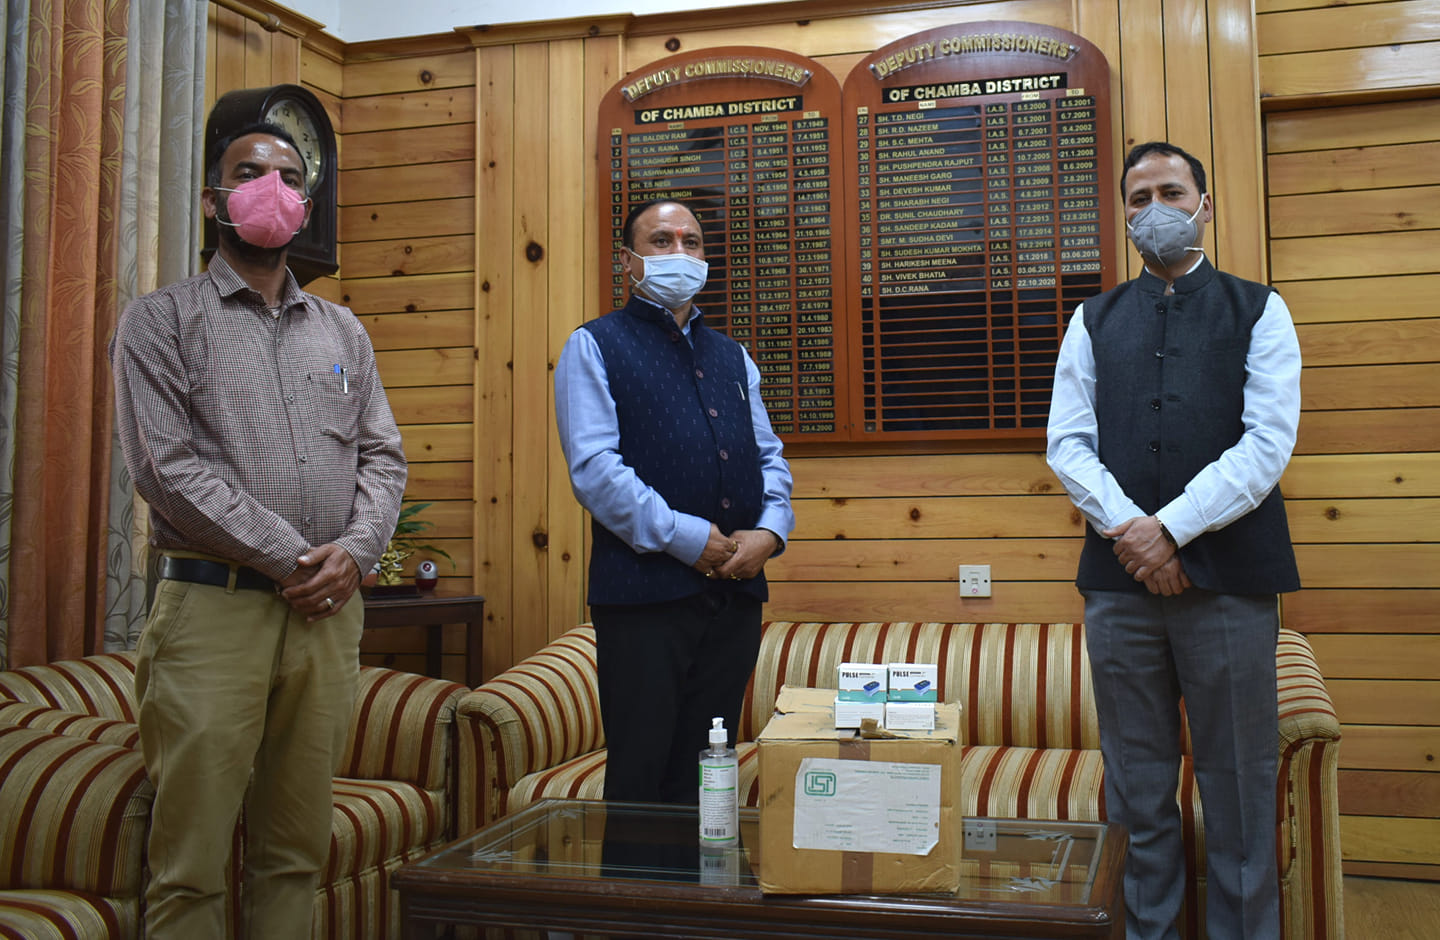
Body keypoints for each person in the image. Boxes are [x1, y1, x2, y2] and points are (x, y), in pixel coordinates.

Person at [110, 122, 407, 939]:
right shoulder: (160, 321)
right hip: (215, 610)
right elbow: (166, 470)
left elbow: (383, 457)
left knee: (296, 855)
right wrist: (295, 559)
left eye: (288, 176)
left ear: (305, 206)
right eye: (249, 172)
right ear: (214, 201)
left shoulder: (342, 332)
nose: (271, 188)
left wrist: (356, 552)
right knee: (190, 864)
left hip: (324, 618)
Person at [1046, 141, 1301, 939]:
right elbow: (1068, 444)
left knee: (1240, 788)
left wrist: (1171, 529)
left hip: (1231, 584)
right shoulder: (1091, 320)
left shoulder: (1260, 309)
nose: (1155, 209)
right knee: (1136, 787)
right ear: (1124, 215)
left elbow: (1268, 444)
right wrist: (1135, 534)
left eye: (1171, 192)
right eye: (1139, 197)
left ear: (1204, 205)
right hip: (1119, 586)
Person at [554, 198, 794, 804]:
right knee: (642, 778)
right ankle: (637, 875)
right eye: (662, 241)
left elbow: (769, 456)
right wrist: (688, 538)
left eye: (692, 242)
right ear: (628, 261)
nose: (680, 253)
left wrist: (770, 531)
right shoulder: (594, 345)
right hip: (644, 600)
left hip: (735, 596)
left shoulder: (733, 356)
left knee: (708, 777)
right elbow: (595, 470)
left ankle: (703, 875)